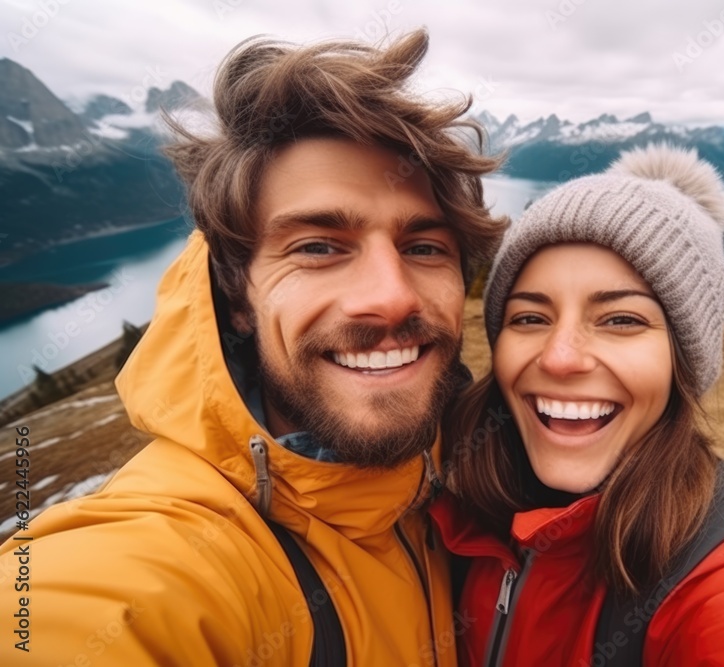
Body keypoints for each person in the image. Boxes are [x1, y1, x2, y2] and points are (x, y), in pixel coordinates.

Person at [0, 29, 507, 666]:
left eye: (425, 247)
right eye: (318, 247)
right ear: (237, 295)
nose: (392, 297)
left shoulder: (467, 476)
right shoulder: (160, 563)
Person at [430, 144, 724, 666]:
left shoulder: (716, 566)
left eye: (621, 320)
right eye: (530, 318)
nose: (560, 357)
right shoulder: (447, 485)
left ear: (682, 362)